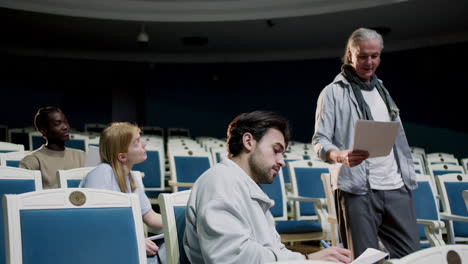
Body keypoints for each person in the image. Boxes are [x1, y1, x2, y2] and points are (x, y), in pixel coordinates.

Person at [184, 110, 352, 264]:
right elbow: (232, 258)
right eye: (276, 150)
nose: (282, 162)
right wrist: (306, 259)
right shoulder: (219, 182)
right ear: (248, 141)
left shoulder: (244, 185)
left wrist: (307, 259)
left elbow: (274, 250)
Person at [312, 28, 420, 259]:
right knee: (363, 259)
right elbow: (319, 141)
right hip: (356, 190)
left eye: (375, 56)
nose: (369, 62)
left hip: (396, 186)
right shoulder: (331, 93)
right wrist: (340, 156)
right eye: (362, 56)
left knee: (413, 258)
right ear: (350, 54)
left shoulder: (383, 90)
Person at [79, 122, 165, 264]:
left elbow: (150, 217)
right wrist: (133, 240)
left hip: (121, 244)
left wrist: (182, 221)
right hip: (104, 249)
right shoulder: (102, 173)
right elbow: (96, 222)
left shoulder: (130, 177)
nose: (144, 144)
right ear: (122, 157)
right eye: (137, 142)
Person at [20, 106, 85, 189]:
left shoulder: (81, 156)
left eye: (66, 122)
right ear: (43, 130)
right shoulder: (32, 160)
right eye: (58, 123)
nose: (65, 127)